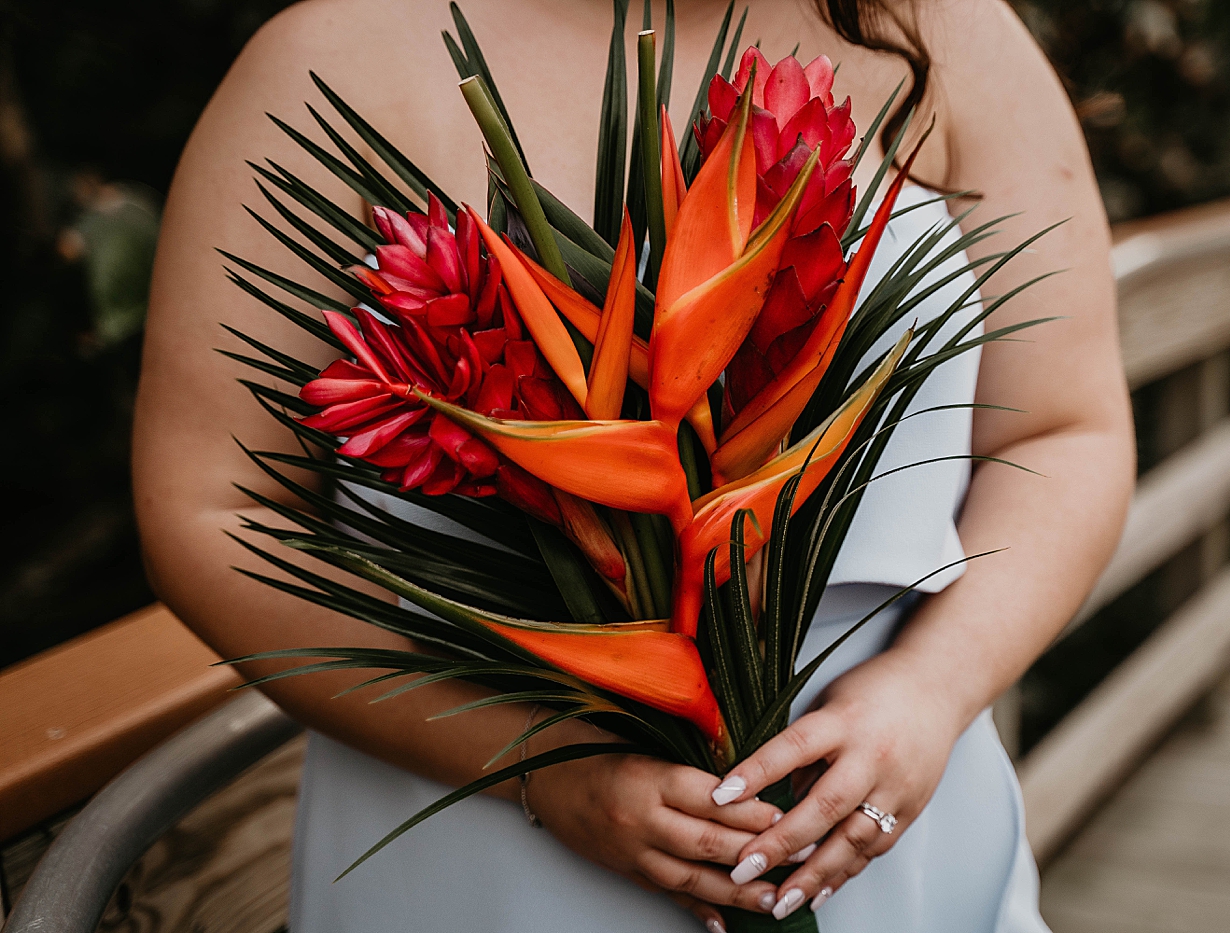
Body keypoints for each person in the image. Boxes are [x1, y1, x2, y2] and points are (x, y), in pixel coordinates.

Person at [132, 0, 1134, 930]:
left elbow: (1063, 432)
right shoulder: (335, 56)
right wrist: (539, 764)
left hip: (890, 808)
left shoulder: (936, 28)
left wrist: (929, 687)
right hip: (479, 823)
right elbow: (212, 511)